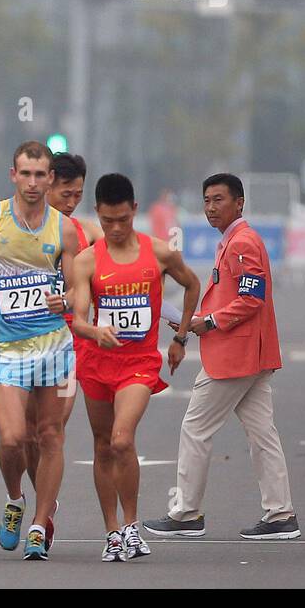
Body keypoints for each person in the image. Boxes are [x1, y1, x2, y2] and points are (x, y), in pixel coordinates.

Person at [144, 173, 301, 541]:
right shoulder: (234, 240)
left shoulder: (242, 242)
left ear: (239, 203)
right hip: (254, 353)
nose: (211, 208)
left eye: (219, 200)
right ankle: (280, 514)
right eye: (207, 201)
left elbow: (251, 298)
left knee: (196, 429)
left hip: (235, 356)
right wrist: (193, 323)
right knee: (263, 434)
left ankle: (186, 513)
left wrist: (210, 322)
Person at [0, 141, 83, 560]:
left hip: (53, 345)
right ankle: (15, 499)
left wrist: (69, 299)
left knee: (50, 436)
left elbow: (78, 286)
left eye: (41, 175)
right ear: (13, 175)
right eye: (25, 173)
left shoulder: (63, 228)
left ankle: (41, 525)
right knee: (12, 439)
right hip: (6, 346)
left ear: (50, 179)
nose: (33, 182)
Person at [69, 172, 200, 561]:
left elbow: (192, 285)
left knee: (122, 439)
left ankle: (131, 524)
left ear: (135, 211)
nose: (114, 228)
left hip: (139, 363)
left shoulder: (159, 252)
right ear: (98, 213)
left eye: (123, 220)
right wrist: (95, 331)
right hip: (97, 362)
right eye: (107, 221)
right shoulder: (86, 261)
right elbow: (76, 319)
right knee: (102, 445)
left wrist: (180, 339)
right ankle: (111, 531)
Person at [19, 152, 105, 545]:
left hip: (69, 344)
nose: (72, 202)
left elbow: (124, 279)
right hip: (23, 342)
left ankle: (41, 517)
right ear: (47, 184)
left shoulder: (89, 233)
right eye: (66, 194)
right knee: (23, 436)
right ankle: (39, 498)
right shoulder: (20, 229)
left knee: (51, 430)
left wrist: (171, 314)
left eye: (78, 195)